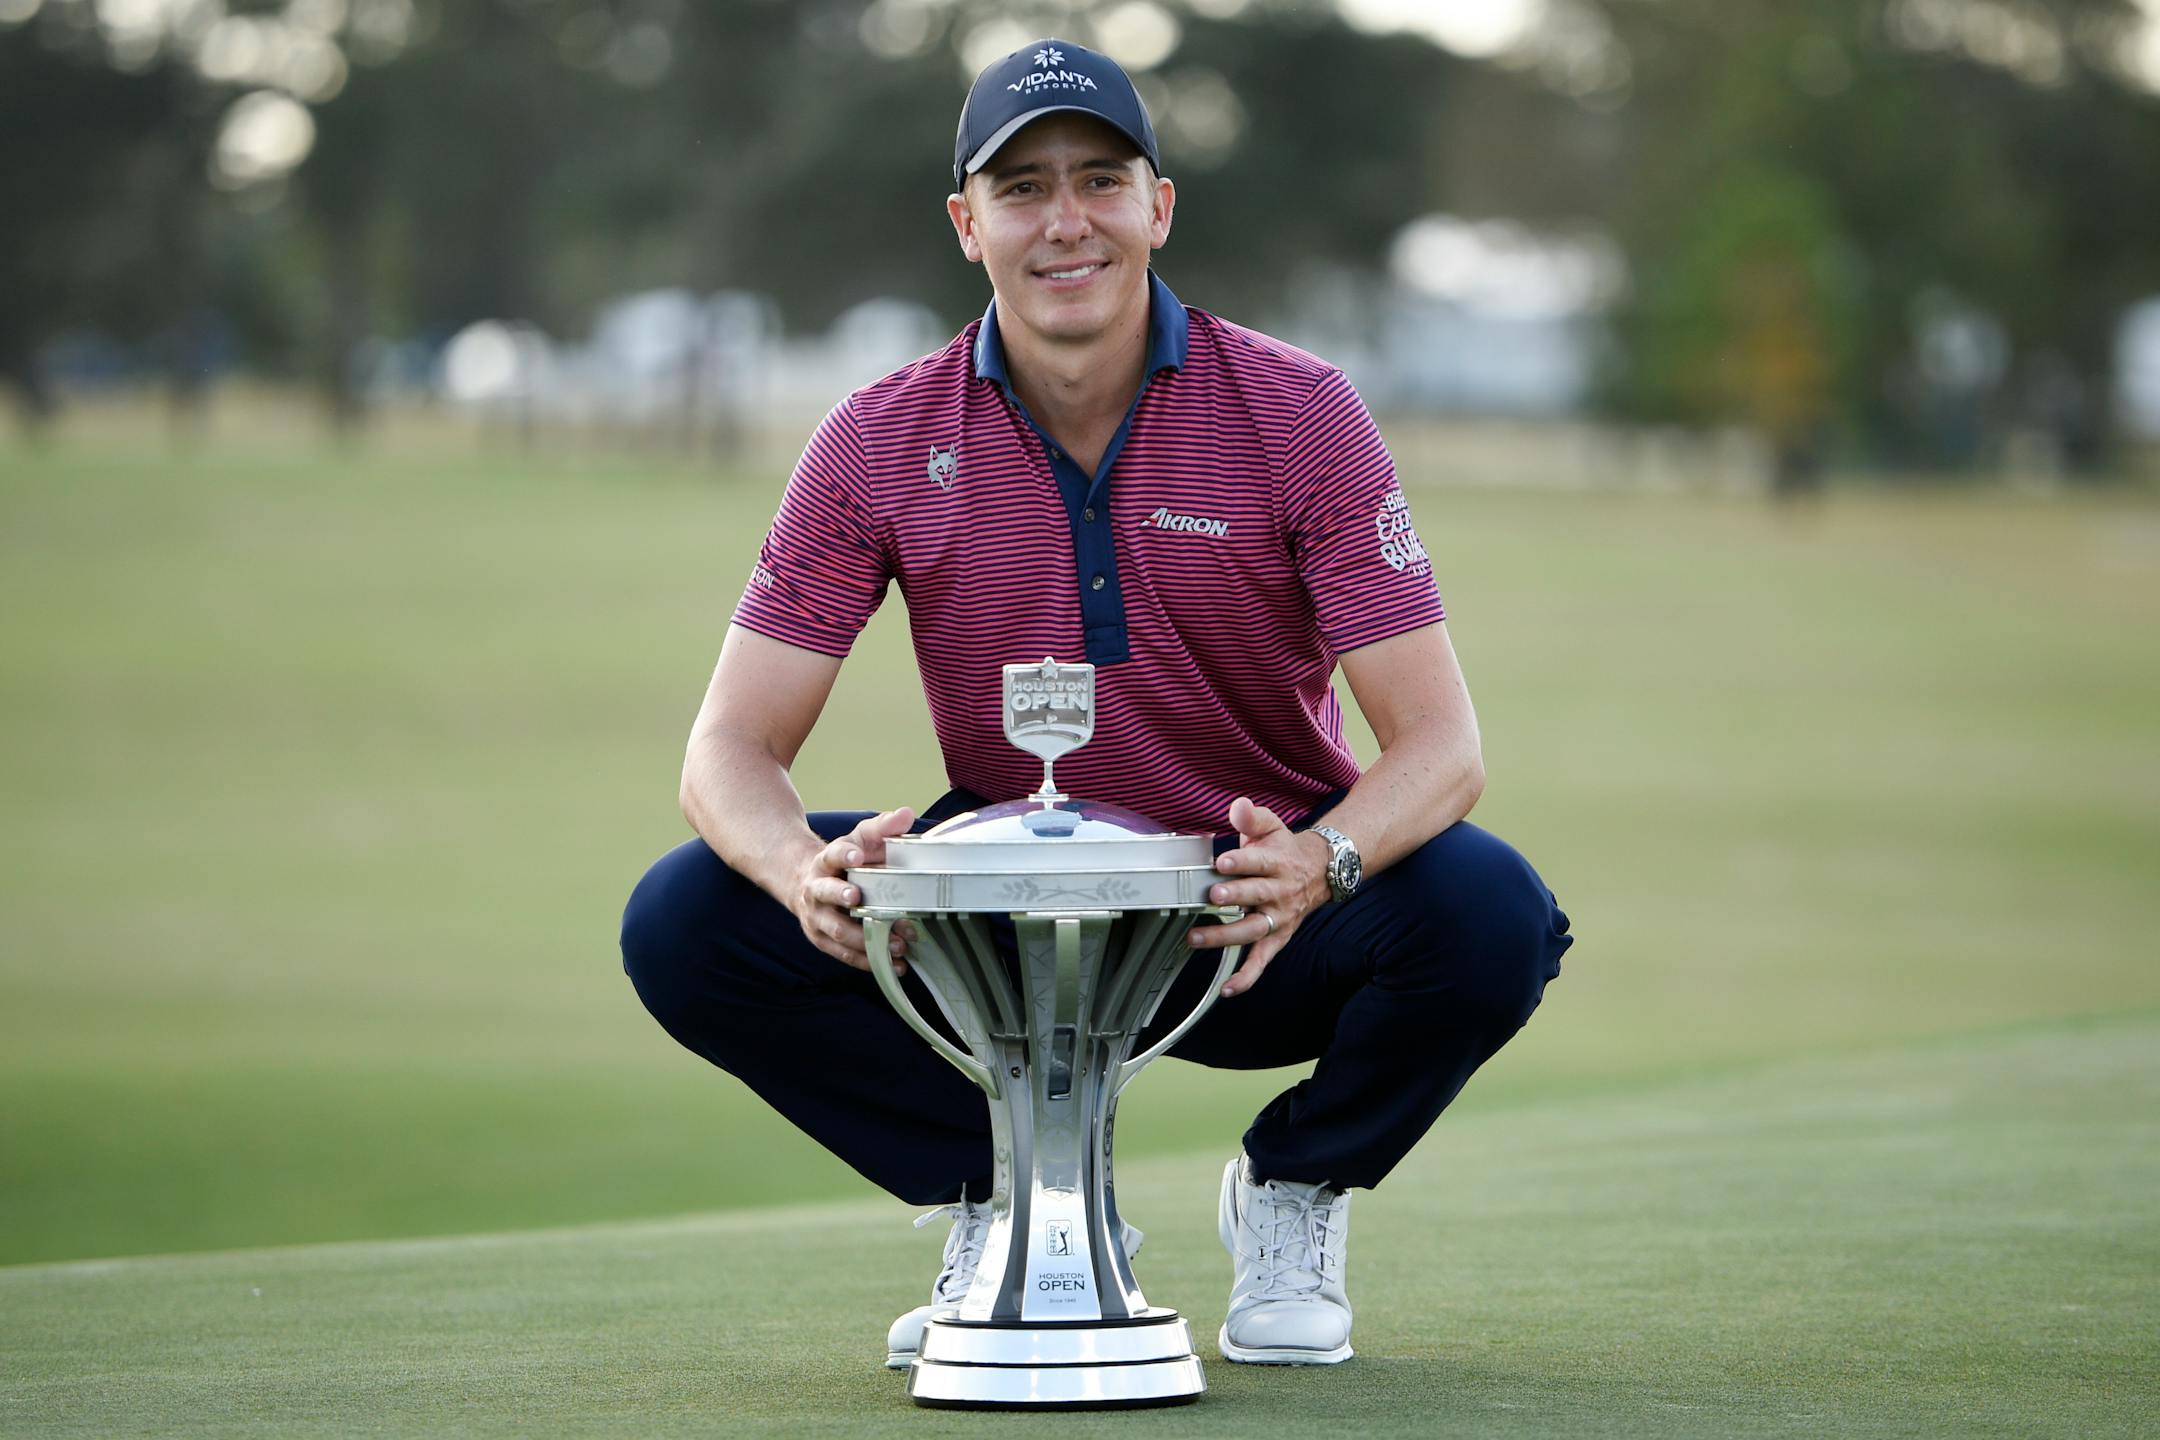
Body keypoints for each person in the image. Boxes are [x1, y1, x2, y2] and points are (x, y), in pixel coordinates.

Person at [620, 38, 1574, 1369]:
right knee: (686, 920)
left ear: (1157, 205)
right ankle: (1011, 1206)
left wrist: (1319, 859)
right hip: (1009, 927)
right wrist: (801, 873)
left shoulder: (1298, 412)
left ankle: (1294, 1186)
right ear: (968, 224)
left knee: (1490, 915)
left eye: (1100, 181)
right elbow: (728, 746)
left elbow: (1442, 748)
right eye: (1021, 189)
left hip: (1251, 911)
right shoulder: (881, 437)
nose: (1065, 222)